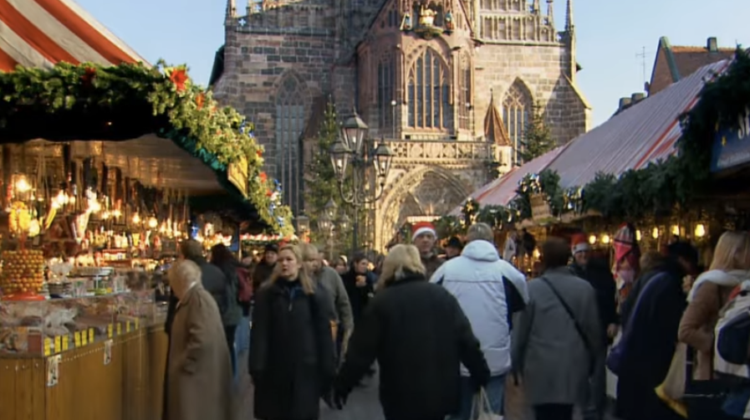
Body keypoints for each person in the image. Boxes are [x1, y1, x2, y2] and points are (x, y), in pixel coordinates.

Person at [333, 244, 490, 420]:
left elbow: (361, 351)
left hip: (401, 395)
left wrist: (343, 385)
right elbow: (466, 340)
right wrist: (480, 373)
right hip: (440, 392)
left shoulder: (383, 302)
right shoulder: (442, 296)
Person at [430, 223, 528, 419]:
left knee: (459, 412)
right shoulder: (507, 272)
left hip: (456, 358)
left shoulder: (446, 270)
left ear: (467, 240)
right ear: (492, 241)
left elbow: (432, 306)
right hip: (495, 359)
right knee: (489, 413)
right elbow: (521, 303)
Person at [512, 238, 603, 420]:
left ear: (544, 259)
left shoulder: (531, 289)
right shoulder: (585, 289)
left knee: (543, 414)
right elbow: (594, 333)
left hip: (539, 366)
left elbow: (520, 331)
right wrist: (595, 366)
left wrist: (516, 365)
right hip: (572, 365)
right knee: (565, 413)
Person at [249, 244, 336, 420]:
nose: (284, 264)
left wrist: (328, 367)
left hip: (305, 370)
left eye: (289, 259)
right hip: (275, 369)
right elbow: (259, 333)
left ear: (299, 263)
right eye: (281, 260)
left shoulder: (314, 294)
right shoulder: (267, 294)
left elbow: (323, 333)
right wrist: (256, 367)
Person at [615, 241, 699, 420]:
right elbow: (672, 324)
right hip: (652, 365)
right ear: (683, 260)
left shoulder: (651, 277)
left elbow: (627, 309)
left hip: (634, 361)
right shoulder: (669, 282)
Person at [166, 260, 232, 420]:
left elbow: (202, 339)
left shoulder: (197, 300)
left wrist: (184, 363)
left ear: (179, 280)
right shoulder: (195, 298)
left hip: (196, 379)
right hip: (197, 377)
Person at [680, 231, 750, 380]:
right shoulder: (712, 285)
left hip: (743, 370)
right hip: (716, 373)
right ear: (735, 254)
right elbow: (685, 330)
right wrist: (720, 343)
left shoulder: (745, 282)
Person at [569, 233, 618, 420]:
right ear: (574, 254)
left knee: (598, 371)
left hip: (599, 326)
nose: (583, 255)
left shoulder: (601, 272)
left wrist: (613, 320)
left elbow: (610, 299)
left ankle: (596, 409)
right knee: (580, 370)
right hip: (578, 330)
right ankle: (581, 406)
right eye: (579, 252)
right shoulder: (570, 273)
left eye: (585, 251)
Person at [300, 243, 354, 363]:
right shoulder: (299, 279)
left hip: (331, 328)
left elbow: (343, 303)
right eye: (310, 259)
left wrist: (348, 330)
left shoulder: (331, 275)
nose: (314, 262)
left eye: (317, 256)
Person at [210, 244, 244, 377]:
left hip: (225, 314)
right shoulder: (235, 267)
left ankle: (227, 375)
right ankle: (232, 374)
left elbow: (227, 295)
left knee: (224, 346)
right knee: (229, 344)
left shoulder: (220, 271)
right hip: (235, 312)